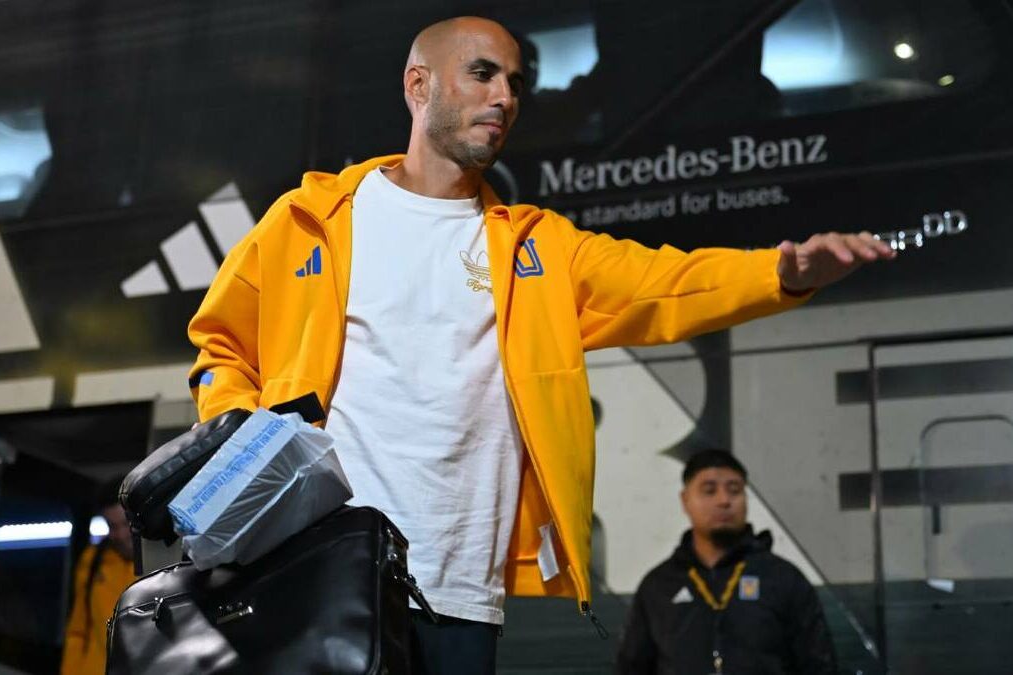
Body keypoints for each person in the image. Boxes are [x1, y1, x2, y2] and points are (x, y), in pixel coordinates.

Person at [186, 16, 893, 674]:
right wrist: (253, 459)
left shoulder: (539, 247)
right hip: (318, 576)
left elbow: (665, 283)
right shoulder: (311, 220)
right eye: (484, 74)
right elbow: (221, 345)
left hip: (462, 589)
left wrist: (779, 272)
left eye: (516, 83)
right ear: (418, 85)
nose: (505, 97)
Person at [616, 450, 837, 675]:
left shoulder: (783, 579)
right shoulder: (659, 586)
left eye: (734, 490)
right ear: (685, 501)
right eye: (709, 490)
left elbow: (819, 666)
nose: (724, 500)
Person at [61, 477, 136, 675]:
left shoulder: (165, 561)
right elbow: (78, 631)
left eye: (125, 523)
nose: (120, 535)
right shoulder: (93, 560)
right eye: (112, 526)